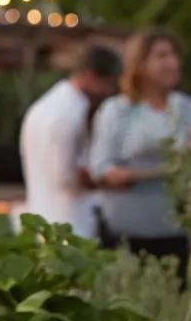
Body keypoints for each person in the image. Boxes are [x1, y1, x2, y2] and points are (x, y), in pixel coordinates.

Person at [87, 29, 191, 276]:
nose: (172, 63)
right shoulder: (118, 111)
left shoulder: (189, 109)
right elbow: (101, 170)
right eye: (162, 56)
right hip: (126, 234)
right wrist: (161, 172)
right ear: (139, 64)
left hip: (175, 232)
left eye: (174, 55)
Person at [18, 44, 121, 235]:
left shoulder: (44, 106)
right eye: (109, 84)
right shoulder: (70, 112)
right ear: (91, 76)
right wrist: (109, 180)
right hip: (69, 223)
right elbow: (66, 177)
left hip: (41, 215)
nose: (108, 92)